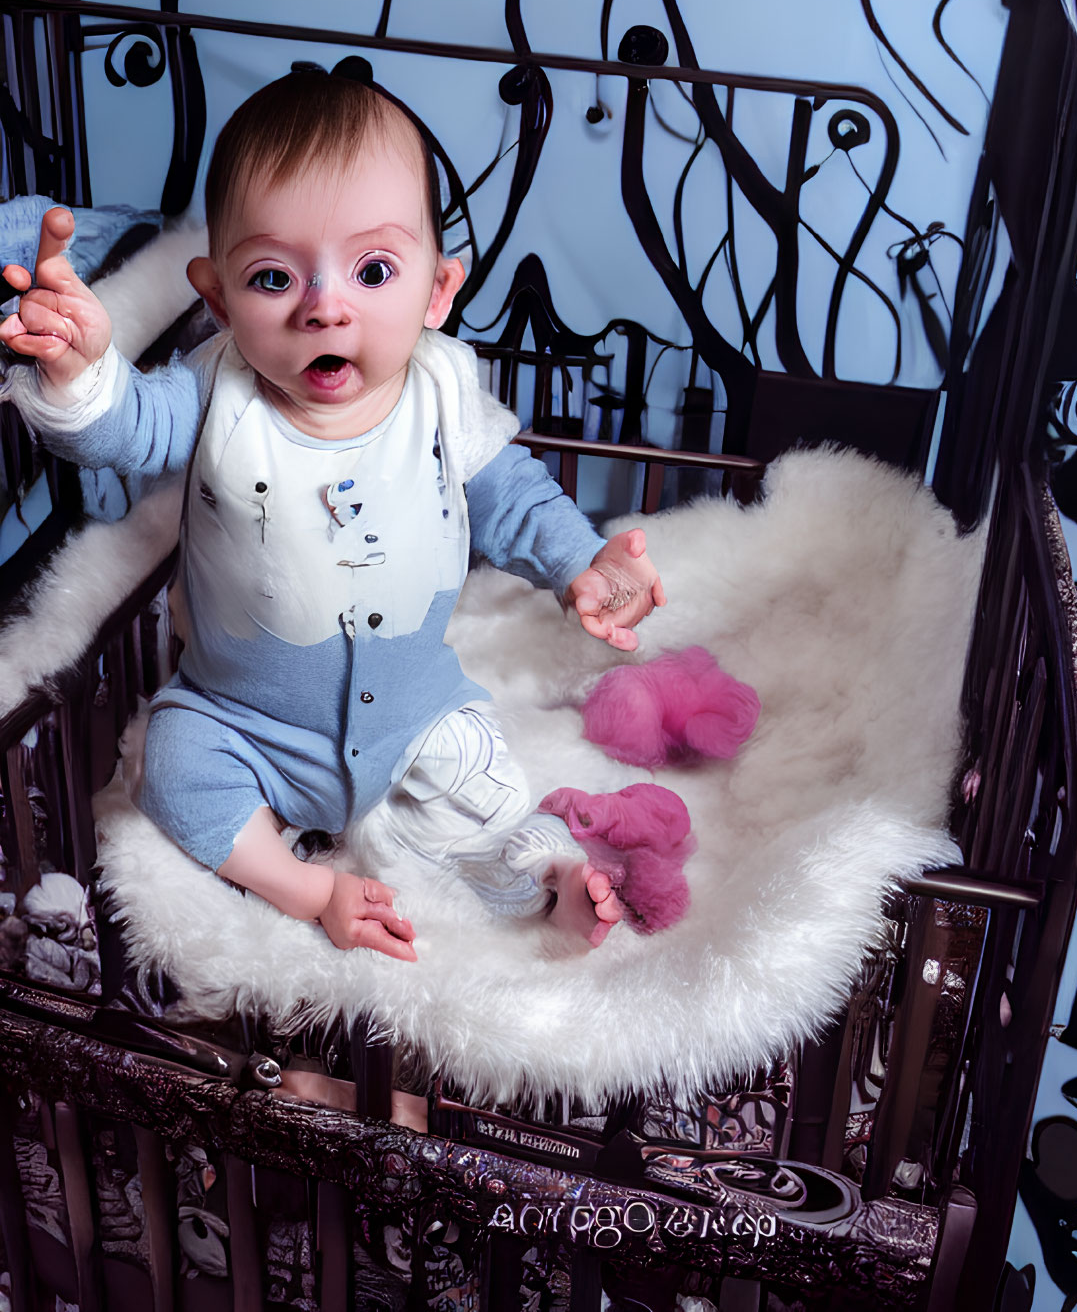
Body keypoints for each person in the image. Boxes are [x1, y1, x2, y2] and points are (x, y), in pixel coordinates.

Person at [0, 68, 672, 960]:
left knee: (483, 778)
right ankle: (308, 885)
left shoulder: (441, 391)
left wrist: (583, 564)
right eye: (274, 275)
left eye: (374, 269)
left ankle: (548, 877)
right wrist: (82, 372)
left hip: (413, 713)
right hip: (242, 718)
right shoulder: (214, 393)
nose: (324, 304)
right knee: (170, 761)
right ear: (218, 299)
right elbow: (125, 428)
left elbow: (509, 490)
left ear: (437, 291)